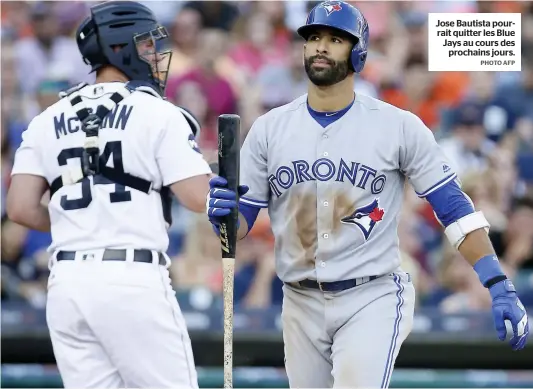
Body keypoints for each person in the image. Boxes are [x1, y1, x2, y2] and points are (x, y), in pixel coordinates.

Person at [206, 1, 530, 388]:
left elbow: (454, 208)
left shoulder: (398, 126)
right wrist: (224, 216)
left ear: (358, 52)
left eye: (334, 39)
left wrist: (498, 282)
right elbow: (238, 226)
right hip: (298, 299)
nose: (320, 47)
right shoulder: (269, 129)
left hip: (370, 295)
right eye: (313, 38)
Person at [6, 1, 211, 387]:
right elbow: (198, 198)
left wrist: (84, 221)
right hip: (130, 278)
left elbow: (18, 207)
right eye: (147, 44)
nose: (156, 54)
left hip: (66, 282)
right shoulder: (157, 111)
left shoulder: (49, 115)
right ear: (121, 49)